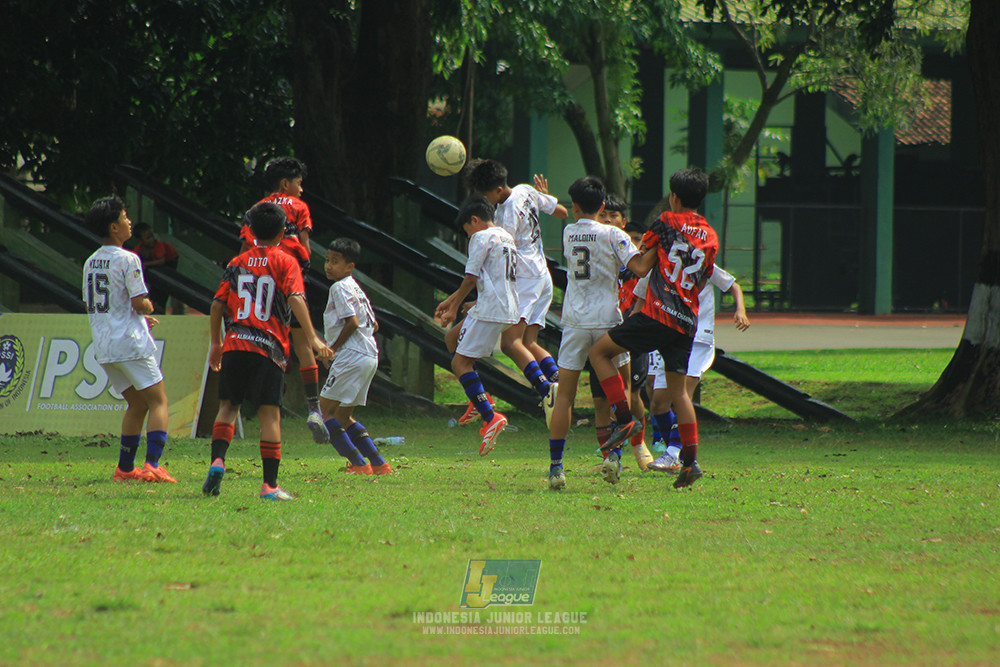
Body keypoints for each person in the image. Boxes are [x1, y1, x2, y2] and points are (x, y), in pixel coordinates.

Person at [587, 168, 718, 489]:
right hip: (688, 321)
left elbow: (642, 264)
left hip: (658, 314)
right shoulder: (711, 236)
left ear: (674, 197)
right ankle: (690, 462)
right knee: (680, 394)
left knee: (598, 352)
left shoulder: (665, 222)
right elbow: (703, 279)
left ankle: (625, 419)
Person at [203, 201, 333, 500]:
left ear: (249, 231)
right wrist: (313, 338)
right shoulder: (286, 261)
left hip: (235, 343)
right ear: (283, 232)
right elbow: (297, 298)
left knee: (228, 407)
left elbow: (216, 304)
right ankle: (269, 485)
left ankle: (218, 461)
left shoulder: (236, 263)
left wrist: (216, 343)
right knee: (269, 416)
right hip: (268, 346)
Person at [546, 177, 650, 490]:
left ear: (574, 206)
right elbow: (641, 268)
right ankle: (616, 453)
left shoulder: (568, 232)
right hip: (607, 319)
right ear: (603, 207)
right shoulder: (613, 234)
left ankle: (556, 468)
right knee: (623, 388)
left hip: (575, 321)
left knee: (564, 396)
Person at [463, 159, 568, 424]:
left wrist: (480, 297)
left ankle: (547, 391)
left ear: (497, 191)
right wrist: (542, 196)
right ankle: (561, 388)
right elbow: (562, 212)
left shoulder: (505, 213)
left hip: (525, 279)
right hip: (543, 274)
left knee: (511, 343)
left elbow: (501, 252)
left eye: (485, 195)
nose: (485, 200)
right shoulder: (525, 190)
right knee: (529, 343)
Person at [82, 196, 174, 484]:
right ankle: (153, 465)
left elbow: (102, 303)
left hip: (105, 345)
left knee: (137, 405)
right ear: (113, 227)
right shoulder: (128, 258)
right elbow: (138, 301)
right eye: (124, 217)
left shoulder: (90, 261)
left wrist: (137, 315)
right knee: (159, 401)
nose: (129, 221)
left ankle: (124, 469)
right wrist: (147, 309)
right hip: (130, 342)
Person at [239, 156, 327, 443]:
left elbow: (242, 251)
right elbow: (306, 248)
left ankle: (251, 402)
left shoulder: (256, 211)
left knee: (261, 341)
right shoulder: (299, 207)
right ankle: (314, 408)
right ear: (285, 183)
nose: (301, 190)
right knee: (304, 347)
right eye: (299, 183)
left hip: (260, 284)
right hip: (291, 279)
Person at [435, 195, 520, 456]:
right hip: (506, 307)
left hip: (491, 308)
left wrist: (452, 306)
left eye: (467, 229)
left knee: (460, 363)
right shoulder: (506, 237)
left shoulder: (480, 237)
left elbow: (470, 279)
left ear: (474, 220)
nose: (468, 234)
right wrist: (454, 301)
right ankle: (479, 399)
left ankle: (489, 416)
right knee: (452, 339)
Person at [645, 263, 750, 472]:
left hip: (698, 338)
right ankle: (680, 454)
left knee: (682, 395)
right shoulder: (665, 261)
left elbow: (733, 286)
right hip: (671, 336)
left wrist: (740, 310)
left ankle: (673, 453)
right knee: (658, 403)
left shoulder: (703, 261)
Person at [587, 202, 654, 473]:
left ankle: (638, 446)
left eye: (613, 215)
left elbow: (638, 272)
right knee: (600, 400)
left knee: (632, 396)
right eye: (602, 214)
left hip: (629, 332)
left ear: (623, 221)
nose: (607, 220)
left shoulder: (631, 256)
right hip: (599, 330)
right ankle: (610, 459)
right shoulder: (593, 251)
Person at [318, 238, 391, 475]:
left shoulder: (338, 288)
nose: (329, 266)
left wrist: (333, 348)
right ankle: (379, 464)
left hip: (352, 355)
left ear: (350, 266)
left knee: (324, 412)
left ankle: (359, 464)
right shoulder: (354, 286)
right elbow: (374, 325)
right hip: (369, 355)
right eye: (327, 260)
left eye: (335, 262)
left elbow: (352, 322)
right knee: (343, 415)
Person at [130, 222, 179, 314]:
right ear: (140, 240)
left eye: (152, 236)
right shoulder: (139, 250)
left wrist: (147, 264)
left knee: (163, 289)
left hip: (171, 261)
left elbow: (162, 261)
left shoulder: (158, 245)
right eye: (148, 238)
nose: (152, 239)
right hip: (153, 262)